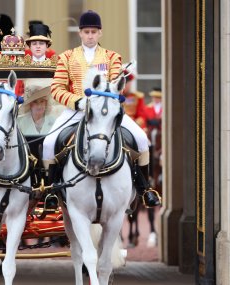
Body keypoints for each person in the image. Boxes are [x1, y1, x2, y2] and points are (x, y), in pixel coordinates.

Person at [43, 10, 161, 207]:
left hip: (105, 111)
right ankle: (52, 191)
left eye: (94, 32)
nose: (90, 35)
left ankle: (144, 188)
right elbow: (57, 89)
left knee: (142, 140)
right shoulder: (66, 57)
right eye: (86, 31)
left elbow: (117, 85)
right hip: (76, 110)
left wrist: (109, 92)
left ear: (100, 33)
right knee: (48, 143)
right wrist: (78, 102)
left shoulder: (112, 57)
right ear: (80, 33)